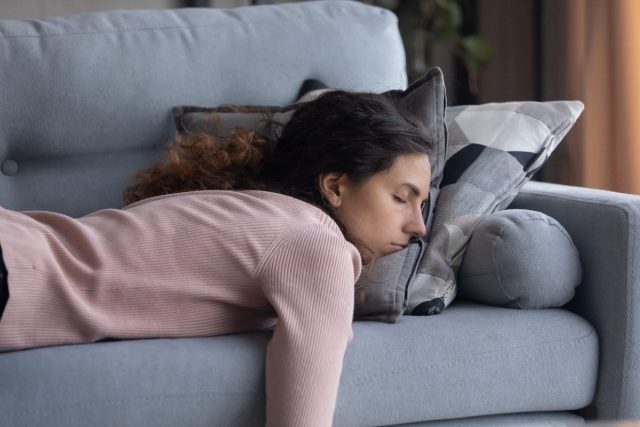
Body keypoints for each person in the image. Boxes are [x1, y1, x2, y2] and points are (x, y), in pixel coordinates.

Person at [0, 90, 432, 426]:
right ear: (335, 186)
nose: (420, 227)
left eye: (422, 206)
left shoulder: (248, 209)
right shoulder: (317, 246)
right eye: (401, 198)